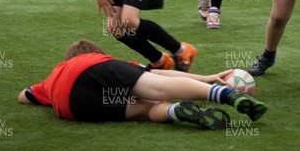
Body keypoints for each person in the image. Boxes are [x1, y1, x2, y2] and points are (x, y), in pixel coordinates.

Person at [18, 39, 268, 128]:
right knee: (157, 90)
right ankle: (226, 96)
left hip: (73, 107)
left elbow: (23, 96)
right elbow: (158, 78)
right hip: (94, 72)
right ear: (97, 53)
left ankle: (176, 111)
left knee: (147, 109)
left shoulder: (53, 77)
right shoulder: (98, 60)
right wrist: (204, 78)